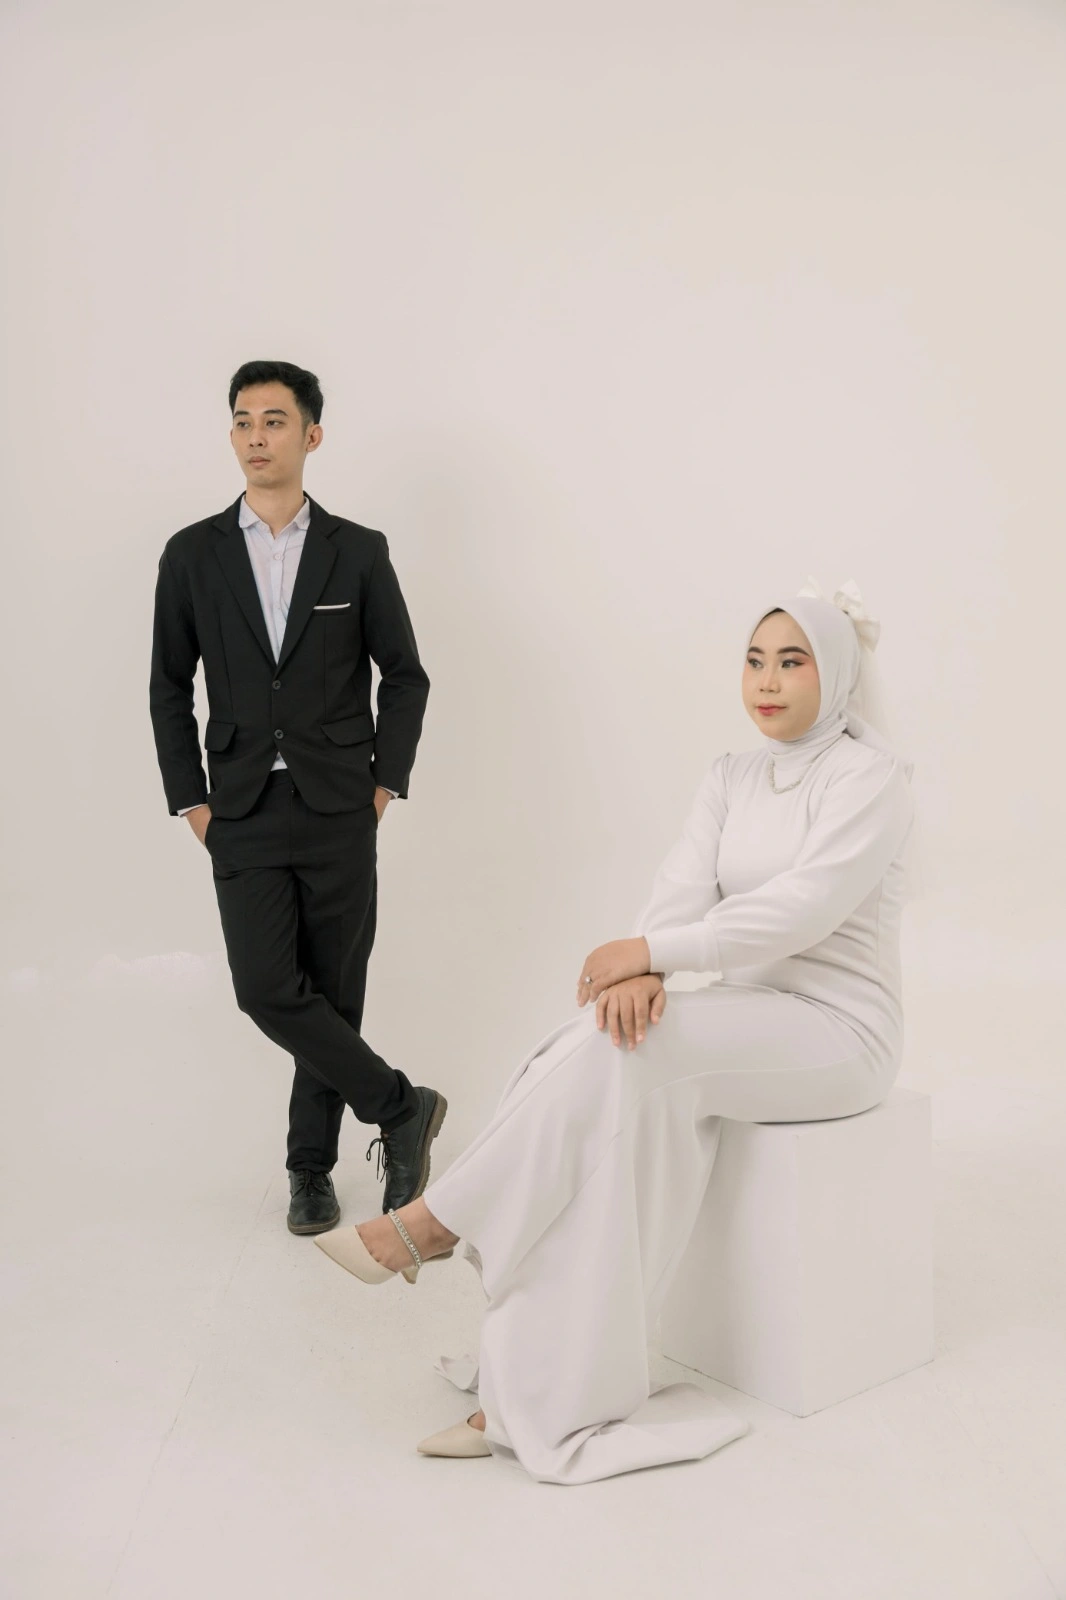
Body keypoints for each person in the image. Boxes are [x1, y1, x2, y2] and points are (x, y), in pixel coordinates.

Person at [314, 579, 916, 1484]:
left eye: (793, 663)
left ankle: (437, 1223)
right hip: (746, 1016)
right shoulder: (732, 774)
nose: (767, 681)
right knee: (599, 1049)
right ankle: (529, 1388)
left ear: (834, 674)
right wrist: (647, 966)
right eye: (754, 660)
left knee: (631, 1054)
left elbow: (803, 910)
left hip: (839, 1034)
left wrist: (654, 952)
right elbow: (682, 884)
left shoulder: (872, 779)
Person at [149, 360, 445, 1236]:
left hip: (339, 806)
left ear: (311, 435)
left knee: (333, 992)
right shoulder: (192, 554)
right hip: (238, 807)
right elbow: (168, 687)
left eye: (274, 421)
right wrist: (192, 803)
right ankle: (401, 1106)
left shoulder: (358, 550)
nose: (256, 437)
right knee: (267, 989)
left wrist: (383, 784)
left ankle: (309, 1172)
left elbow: (405, 675)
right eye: (243, 421)